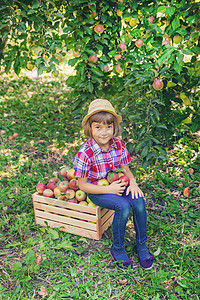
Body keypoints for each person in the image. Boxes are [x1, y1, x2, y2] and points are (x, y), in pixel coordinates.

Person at [74, 99, 154, 270]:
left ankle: (141, 244)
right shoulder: (85, 153)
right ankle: (117, 248)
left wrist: (132, 182)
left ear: (114, 128)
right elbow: (82, 185)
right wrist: (107, 189)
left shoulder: (118, 144)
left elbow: (125, 169)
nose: (104, 133)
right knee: (123, 206)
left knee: (138, 201)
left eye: (108, 127)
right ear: (90, 128)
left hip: (116, 183)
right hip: (96, 190)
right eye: (98, 127)